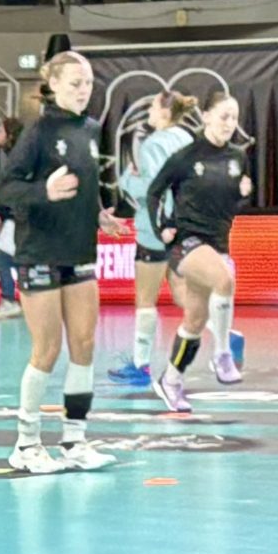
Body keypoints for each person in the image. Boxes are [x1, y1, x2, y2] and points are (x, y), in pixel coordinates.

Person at [0, 50, 114, 473]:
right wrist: (43, 192)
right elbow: (6, 189)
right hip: (39, 252)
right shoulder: (38, 132)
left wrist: (98, 214)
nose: (84, 90)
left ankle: (75, 441)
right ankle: (26, 444)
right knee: (46, 350)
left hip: (79, 252)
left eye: (88, 83)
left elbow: (85, 185)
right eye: (75, 83)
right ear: (55, 85)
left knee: (84, 345)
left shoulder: (92, 129)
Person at [143, 90, 253, 413]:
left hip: (218, 242)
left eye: (234, 118)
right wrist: (161, 227)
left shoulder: (238, 158)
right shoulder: (186, 156)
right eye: (223, 116)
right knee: (225, 280)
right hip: (186, 241)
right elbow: (154, 192)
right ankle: (222, 354)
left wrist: (242, 194)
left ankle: (171, 380)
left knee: (195, 319)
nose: (229, 123)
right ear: (206, 117)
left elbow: (230, 202)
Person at [111, 89, 194, 387]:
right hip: (184, 228)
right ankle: (227, 337)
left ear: (164, 113)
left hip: (155, 231)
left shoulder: (153, 144)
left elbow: (153, 190)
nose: (148, 112)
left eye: (153, 107)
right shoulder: (187, 138)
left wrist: (128, 180)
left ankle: (140, 365)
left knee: (145, 299)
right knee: (182, 293)